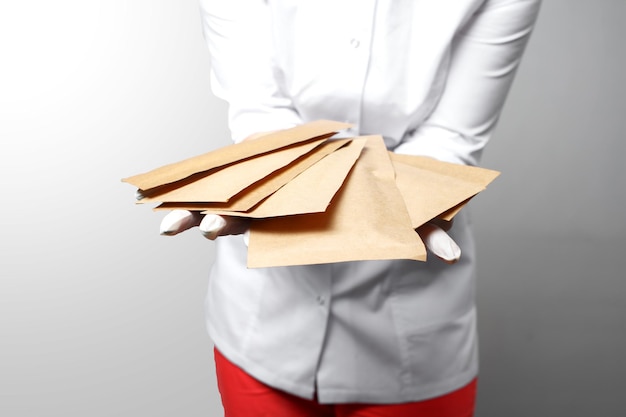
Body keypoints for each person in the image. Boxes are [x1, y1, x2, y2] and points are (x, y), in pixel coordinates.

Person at [161, 0, 541, 415]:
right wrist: (265, 176)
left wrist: (405, 198)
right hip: (263, 318)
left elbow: (450, 136)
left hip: (408, 331)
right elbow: (261, 110)